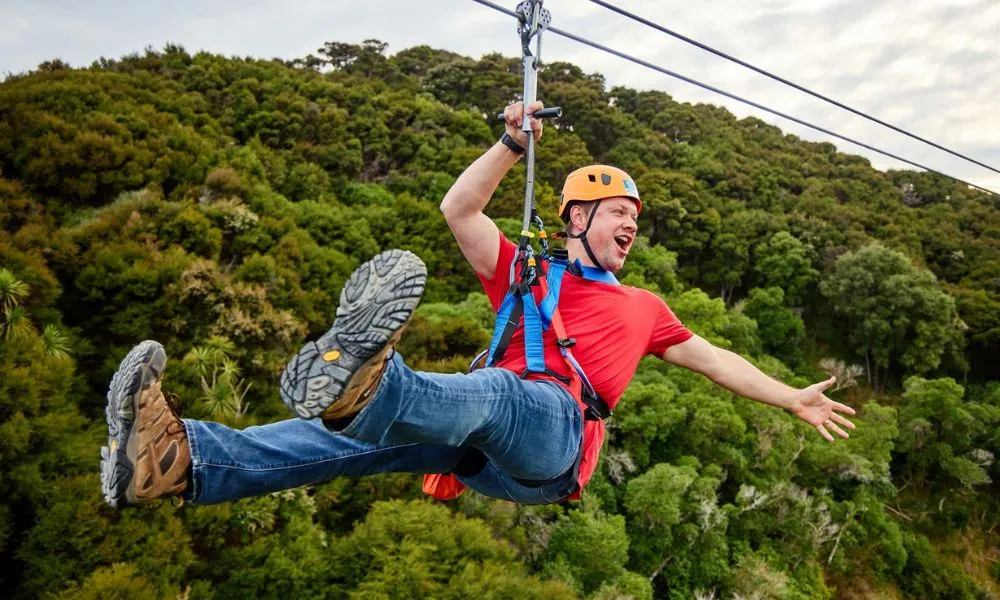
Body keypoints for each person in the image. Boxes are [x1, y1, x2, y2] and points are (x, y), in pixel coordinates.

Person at [100, 101, 856, 509]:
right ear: (576, 219)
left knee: (494, 393)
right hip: (483, 445)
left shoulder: (645, 307)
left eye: (635, 217)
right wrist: (510, 145)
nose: (631, 225)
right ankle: (183, 461)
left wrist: (790, 396)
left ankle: (370, 384)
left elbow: (714, 358)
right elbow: (460, 210)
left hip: (553, 441)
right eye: (618, 212)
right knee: (348, 446)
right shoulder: (530, 274)